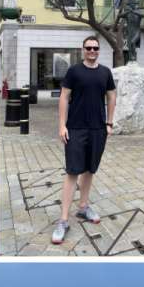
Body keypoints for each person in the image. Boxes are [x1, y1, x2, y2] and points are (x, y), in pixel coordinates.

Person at [52, 35, 116, 244]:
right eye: (88, 48)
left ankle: (83, 207)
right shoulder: (74, 71)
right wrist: (62, 125)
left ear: (99, 50)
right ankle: (63, 220)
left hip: (98, 129)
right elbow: (63, 97)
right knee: (72, 172)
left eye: (95, 48)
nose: (92, 51)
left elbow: (112, 96)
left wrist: (109, 122)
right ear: (83, 50)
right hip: (76, 129)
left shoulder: (105, 72)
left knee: (90, 169)